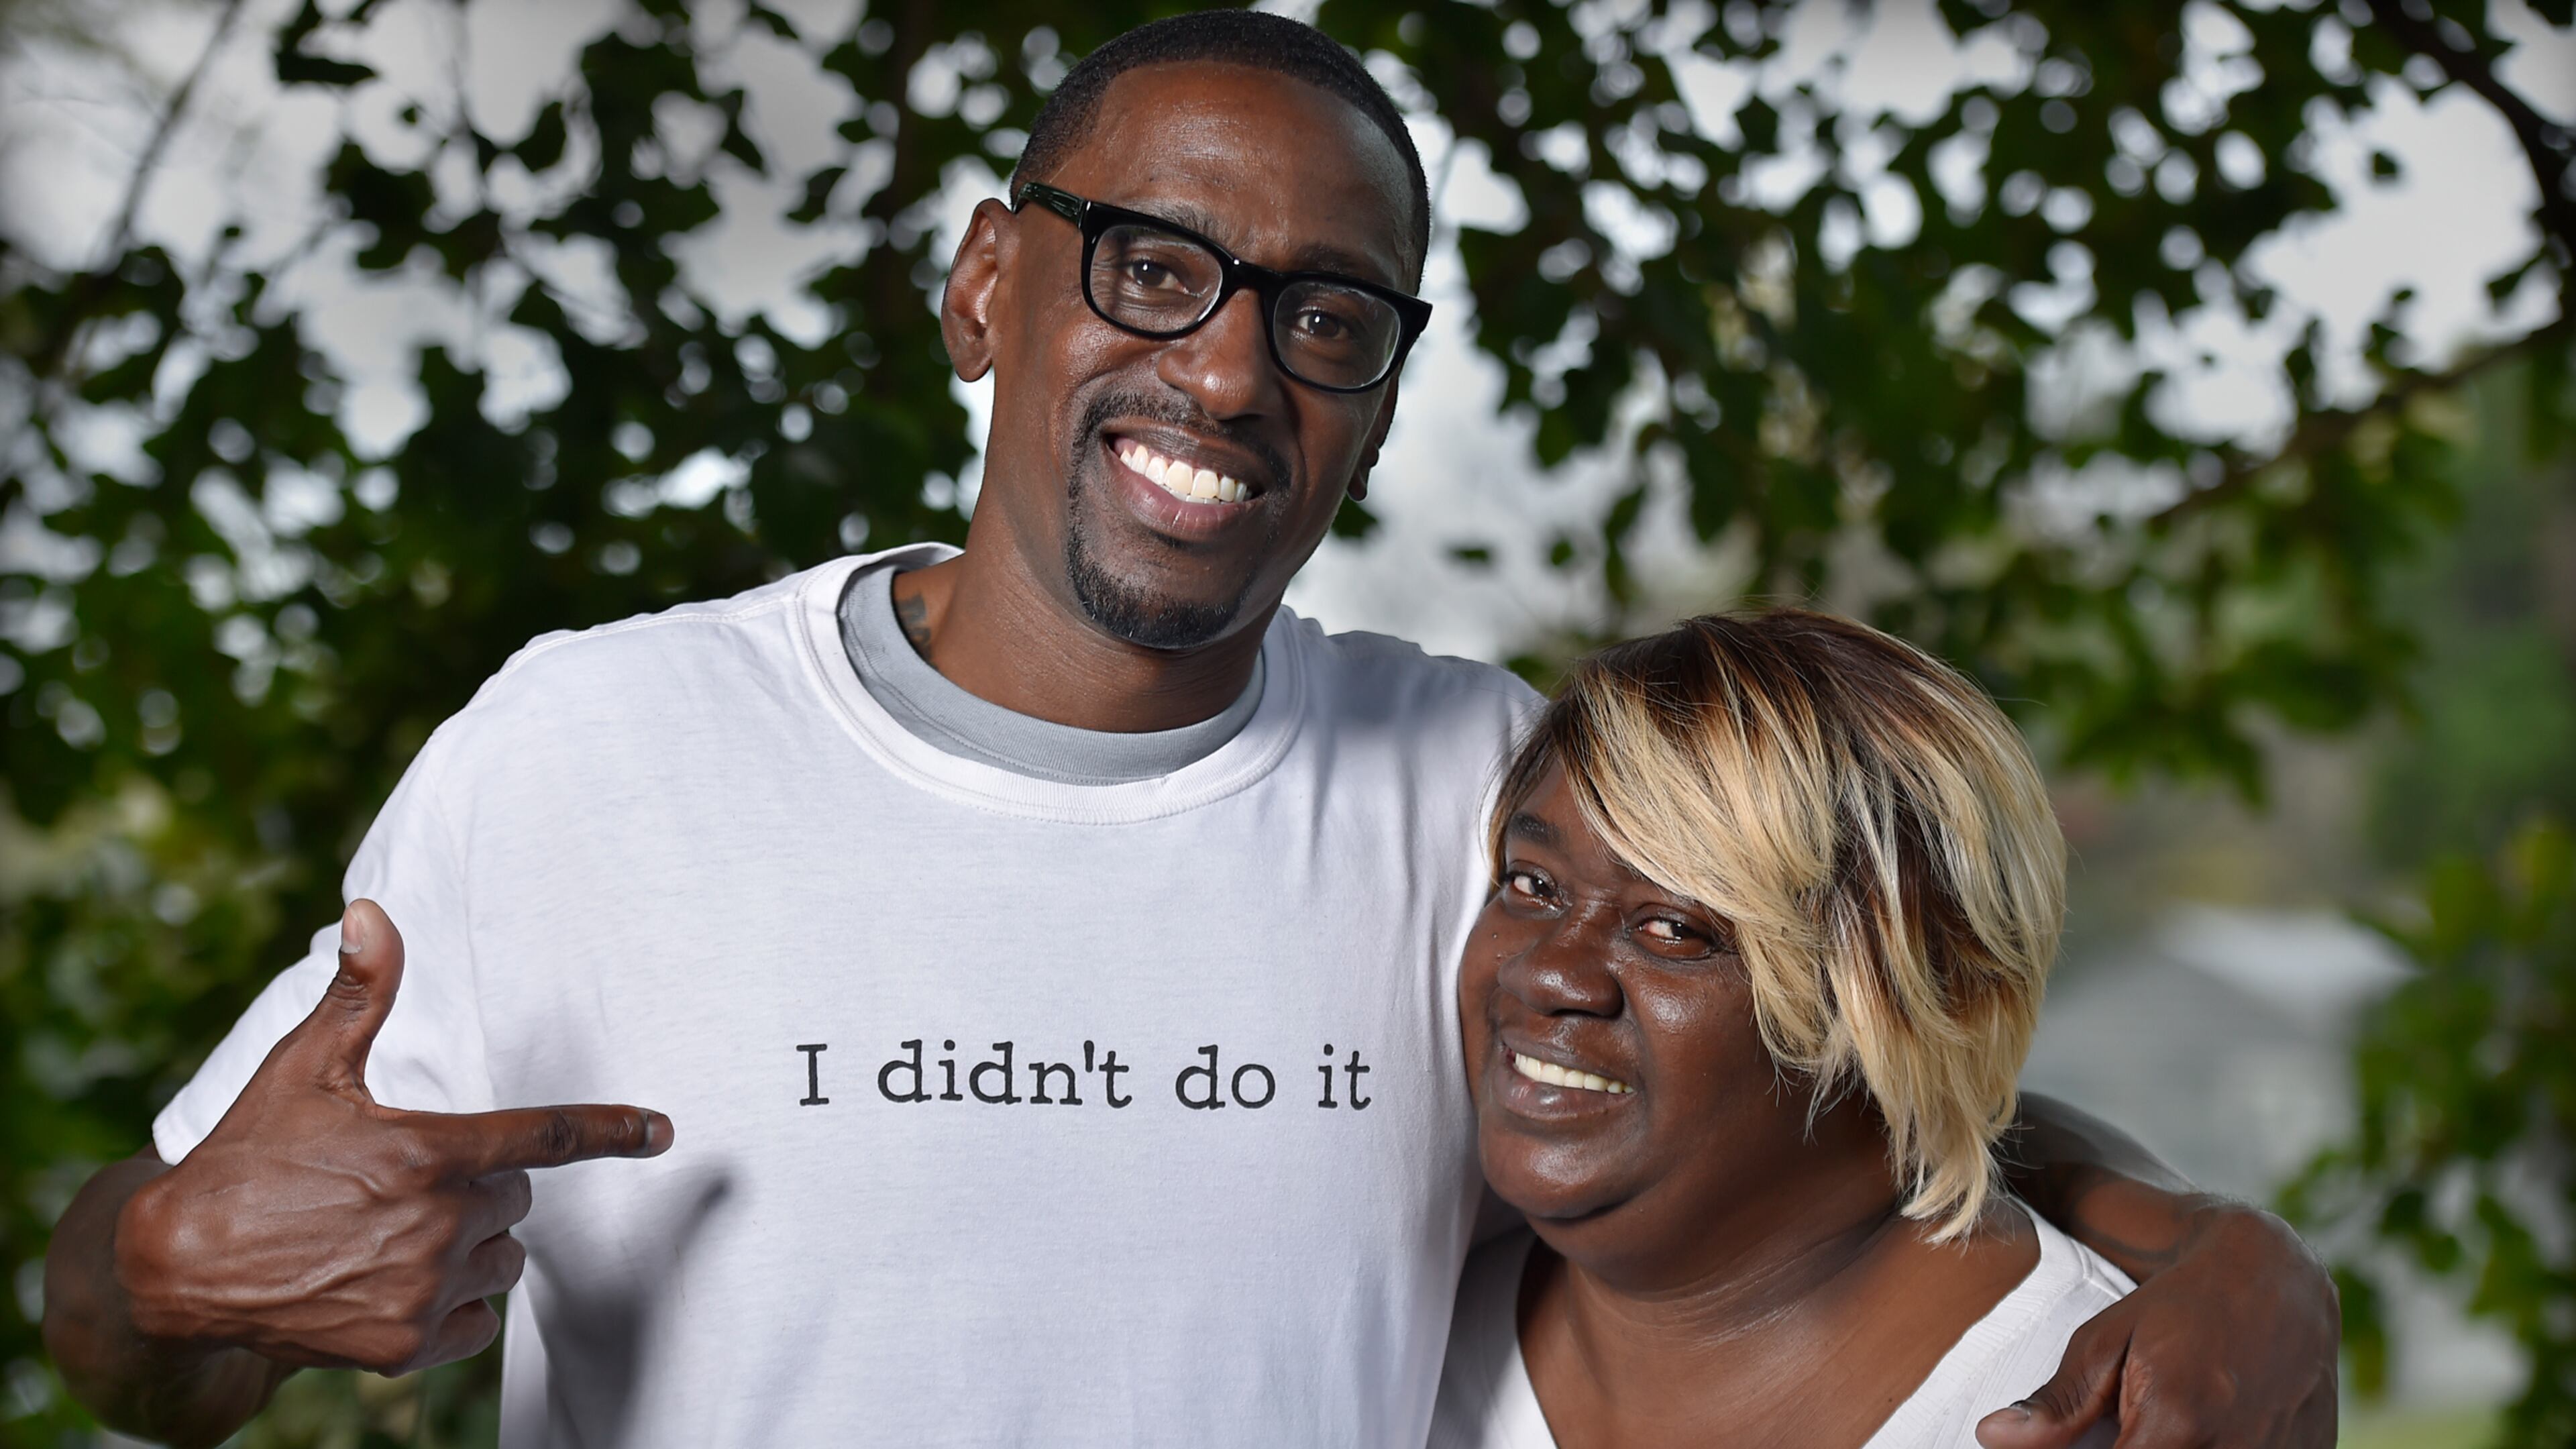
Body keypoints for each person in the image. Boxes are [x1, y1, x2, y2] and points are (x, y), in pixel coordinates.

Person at [42, 11, 2334, 1448]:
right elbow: (137, 1310)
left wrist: (2232, 1264)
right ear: (982, 288)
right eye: (1156, 267)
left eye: (1325, 317)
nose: (1232, 373)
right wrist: (160, 1281)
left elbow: (1845, 1079)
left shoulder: (1482, 795)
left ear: (1380, 391)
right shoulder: (589, 751)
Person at [1433, 610, 2185, 1449]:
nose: (1547, 972)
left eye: (1674, 929)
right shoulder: (1410, 1337)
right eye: (1533, 884)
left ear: (1910, 1006)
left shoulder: (2107, 1412)